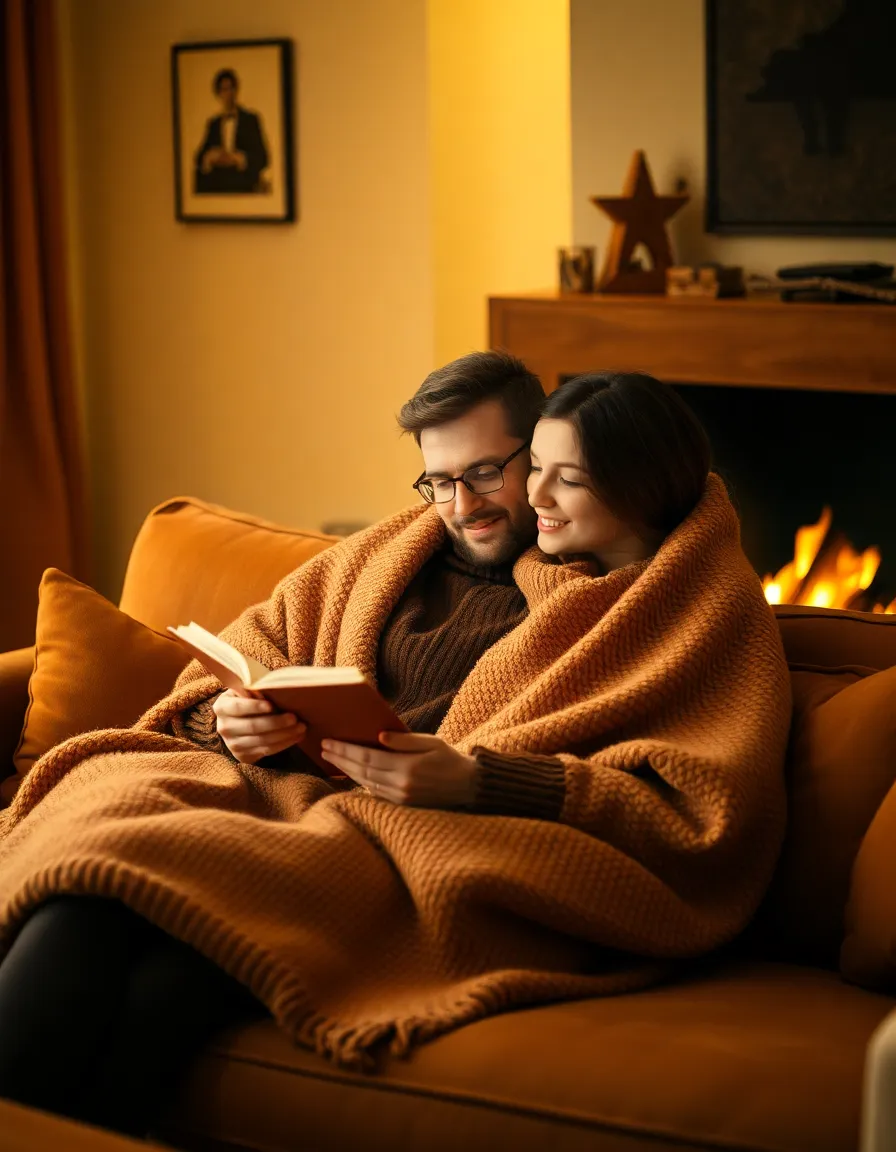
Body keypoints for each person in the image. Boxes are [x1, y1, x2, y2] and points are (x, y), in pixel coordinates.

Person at [0, 365, 792, 1142]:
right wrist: (229, 721)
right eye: (437, 481)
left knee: (152, 959)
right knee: (93, 885)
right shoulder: (395, 550)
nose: (463, 505)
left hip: (413, 838)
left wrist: (479, 777)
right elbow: (251, 648)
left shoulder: (651, 597)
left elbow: (701, 808)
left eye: (488, 473)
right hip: (288, 796)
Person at [194, 68, 270, 194]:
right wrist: (210, 157)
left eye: (231, 88)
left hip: (244, 186)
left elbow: (263, 158)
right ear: (218, 94)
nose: (228, 94)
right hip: (218, 186)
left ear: (236, 90)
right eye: (224, 90)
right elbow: (198, 158)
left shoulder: (250, 120)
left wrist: (240, 158)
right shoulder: (213, 124)